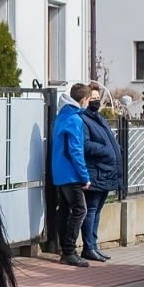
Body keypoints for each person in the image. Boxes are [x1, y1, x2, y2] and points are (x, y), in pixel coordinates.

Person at [78, 83, 123, 261]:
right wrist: (106, 149)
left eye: (98, 98)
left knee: (97, 211)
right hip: (95, 171)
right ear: (86, 99)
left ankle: (93, 245)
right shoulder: (83, 119)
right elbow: (86, 145)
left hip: (105, 172)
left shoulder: (98, 117)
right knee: (91, 209)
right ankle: (88, 246)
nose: (96, 102)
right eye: (93, 99)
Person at [50, 83, 93, 268]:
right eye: (89, 100)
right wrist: (85, 177)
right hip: (71, 174)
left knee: (65, 210)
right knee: (80, 210)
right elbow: (75, 150)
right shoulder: (75, 119)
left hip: (59, 172)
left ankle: (64, 250)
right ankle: (69, 251)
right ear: (83, 100)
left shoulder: (62, 115)